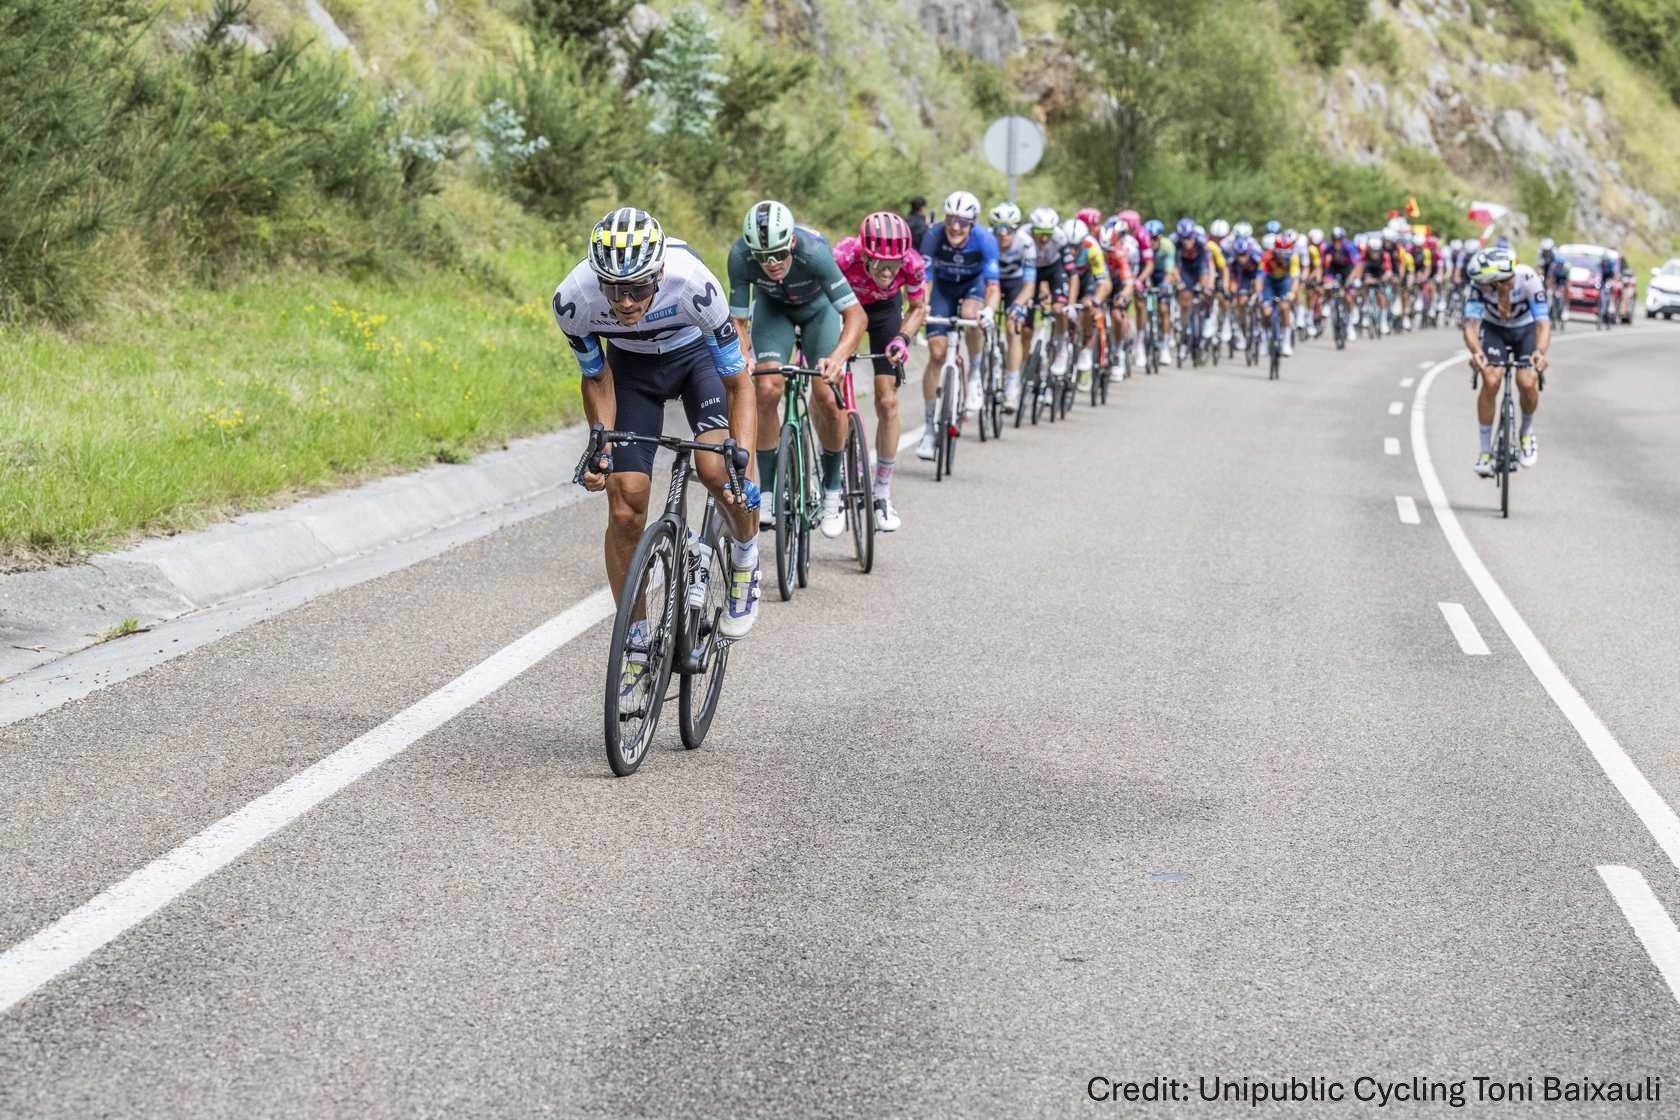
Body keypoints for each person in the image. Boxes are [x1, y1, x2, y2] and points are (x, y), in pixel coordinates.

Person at [553, 208, 763, 709]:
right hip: (632, 371)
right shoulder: (573, 299)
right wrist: (601, 445)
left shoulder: (695, 286)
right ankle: (637, 645)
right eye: (614, 289)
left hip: (697, 362)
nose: (625, 302)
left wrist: (743, 458)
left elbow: (739, 384)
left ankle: (745, 557)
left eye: (638, 289)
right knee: (626, 504)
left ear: (660, 274)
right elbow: (596, 377)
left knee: (717, 471)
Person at [728, 200, 866, 540]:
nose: (771, 264)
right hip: (773, 311)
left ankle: (833, 489)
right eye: (763, 257)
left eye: (778, 254)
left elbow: (856, 316)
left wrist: (838, 358)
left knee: (826, 394)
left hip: (819, 311)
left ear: (791, 242)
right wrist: (744, 355)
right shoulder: (740, 257)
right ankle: (769, 492)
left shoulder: (814, 252)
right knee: (766, 388)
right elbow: (739, 320)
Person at [832, 211, 931, 531]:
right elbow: (819, 302)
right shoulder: (843, 256)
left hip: (885, 313)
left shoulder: (912, 263)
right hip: (845, 310)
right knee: (835, 398)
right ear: (864, 256)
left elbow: (918, 307)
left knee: (887, 402)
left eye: (894, 264)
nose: (888, 272)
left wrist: (903, 338)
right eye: (880, 264)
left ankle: (882, 492)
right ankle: (836, 480)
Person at [917, 190, 1000, 457]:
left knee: (972, 315)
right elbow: (924, 278)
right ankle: (929, 429)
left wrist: (989, 310)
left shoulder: (985, 239)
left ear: (972, 224)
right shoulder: (933, 235)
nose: (955, 227)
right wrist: (922, 306)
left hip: (972, 286)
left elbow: (993, 285)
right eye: (951, 219)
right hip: (942, 288)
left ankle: (975, 373)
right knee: (937, 354)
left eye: (963, 222)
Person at [1462, 246, 1551, 476]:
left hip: (1525, 329)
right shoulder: (1478, 286)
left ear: (1497, 281)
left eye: (1483, 283)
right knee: (1491, 379)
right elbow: (1470, 325)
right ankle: (1485, 453)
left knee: (1527, 381)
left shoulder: (1528, 279)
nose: (1478, 286)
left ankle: (1526, 432)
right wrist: (1475, 351)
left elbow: (1543, 323)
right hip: (1494, 329)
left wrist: (1540, 352)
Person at [989, 202, 1038, 412]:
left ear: (1016, 229)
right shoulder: (987, 239)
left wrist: (1018, 305)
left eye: (1008, 229)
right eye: (999, 228)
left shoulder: (1026, 243)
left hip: (1016, 284)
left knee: (1013, 328)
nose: (1003, 234)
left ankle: (1012, 384)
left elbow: (1029, 285)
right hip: (992, 282)